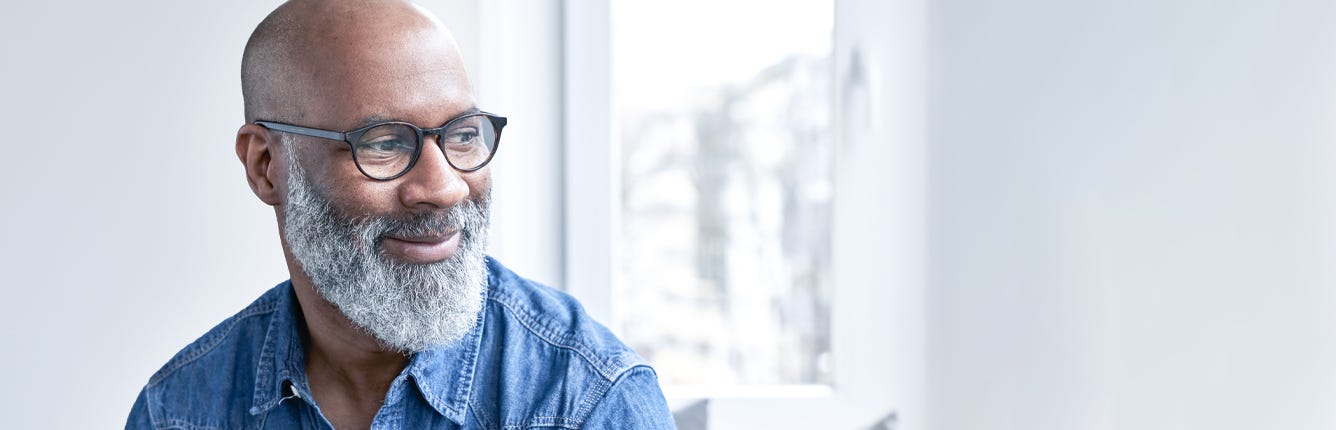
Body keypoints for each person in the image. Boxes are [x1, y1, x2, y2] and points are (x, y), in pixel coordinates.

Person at [125, 1, 675, 428]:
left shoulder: (588, 400)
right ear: (266, 166)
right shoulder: (178, 410)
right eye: (383, 143)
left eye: (462, 135)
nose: (444, 187)